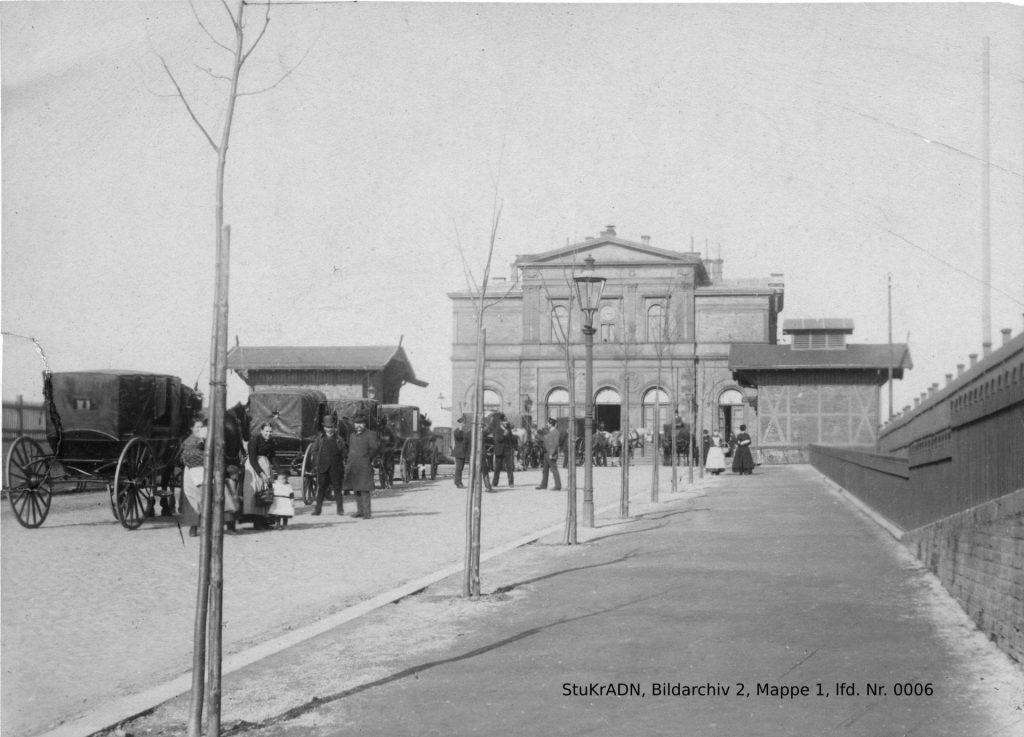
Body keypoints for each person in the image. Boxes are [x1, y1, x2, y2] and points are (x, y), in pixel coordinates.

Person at [343, 413, 380, 518]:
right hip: (353, 465)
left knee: (364, 489)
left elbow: (375, 448)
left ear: (364, 424)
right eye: (356, 423)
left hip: (364, 464)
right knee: (356, 488)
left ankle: (367, 513)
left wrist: (368, 458)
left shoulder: (370, 434)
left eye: (361, 423)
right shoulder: (352, 435)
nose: (358, 425)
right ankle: (360, 511)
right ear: (353, 424)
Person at [310, 415, 347, 515]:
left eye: (331, 427)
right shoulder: (320, 439)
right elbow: (314, 451)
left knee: (337, 488)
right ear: (324, 427)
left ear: (334, 428)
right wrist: (318, 462)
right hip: (323, 468)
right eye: (327, 427)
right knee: (321, 488)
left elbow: (344, 453)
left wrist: (343, 460)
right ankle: (318, 510)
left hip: (336, 468)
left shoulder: (339, 439)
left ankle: (340, 510)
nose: (329, 429)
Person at [179, 415, 208, 538]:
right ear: (192, 428)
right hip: (191, 471)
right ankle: (193, 526)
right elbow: (184, 457)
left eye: (201, 426)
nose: (199, 429)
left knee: (205, 496)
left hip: (203, 470)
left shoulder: (205, 439)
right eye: (197, 427)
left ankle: (204, 525)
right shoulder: (189, 441)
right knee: (192, 496)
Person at [245, 420, 277, 529]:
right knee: (257, 491)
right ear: (261, 431)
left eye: (270, 431)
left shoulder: (271, 442)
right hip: (255, 468)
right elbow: (253, 460)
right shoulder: (254, 440)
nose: (268, 434)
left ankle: (264, 520)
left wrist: (281, 471)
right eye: (266, 431)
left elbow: (273, 457)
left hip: (266, 465)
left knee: (266, 492)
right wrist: (261, 473)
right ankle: (257, 522)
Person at [535, 417, 562, 491]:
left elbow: (555, 444)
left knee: (554, 470)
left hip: (550, 454)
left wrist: (551, 453)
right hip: (546, 453)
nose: (547, 424)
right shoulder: (551, 431)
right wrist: (536, 435)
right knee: (545, 470)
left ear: (551, 424)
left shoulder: (555, 432)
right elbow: (544, 439)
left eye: (548, 423)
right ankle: (543, 485)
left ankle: (558, 486)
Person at [491, 414, 514, 488]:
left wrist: (513, 447)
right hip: (499, 450)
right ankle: (495, 483)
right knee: (497, 467)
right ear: (501, 422)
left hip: (507, 450)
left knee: (509, 467)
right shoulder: (497, 429)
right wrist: (504, 435)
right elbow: (498, 440)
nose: (506, 422)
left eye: (506, 421)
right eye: (504, 421)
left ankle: (511, 483)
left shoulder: (508, 429)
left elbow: (512, 439)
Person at [452, 415, 470, 488]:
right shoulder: (457, 431)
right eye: (462, 423)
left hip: (463, 452)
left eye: (463, 423)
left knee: (460, 468)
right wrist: (460, 429)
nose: (463, 424)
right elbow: (458, 437)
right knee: (459, 468)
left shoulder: (464, 432)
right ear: (460, 423)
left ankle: (458, 482)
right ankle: (458, 483)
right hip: (459, 453)